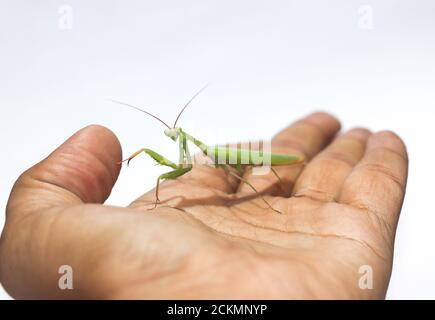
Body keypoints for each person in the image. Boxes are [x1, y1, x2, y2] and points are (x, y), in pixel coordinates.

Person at [0, 112, 408, 299]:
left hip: (267, 161)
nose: (173, 134)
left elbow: (188, 166)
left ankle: (270, 203)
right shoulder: (192, 158)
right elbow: (177, 166)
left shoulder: (205, 155)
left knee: (267, 175)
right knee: (168, 176)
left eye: (175, 131)